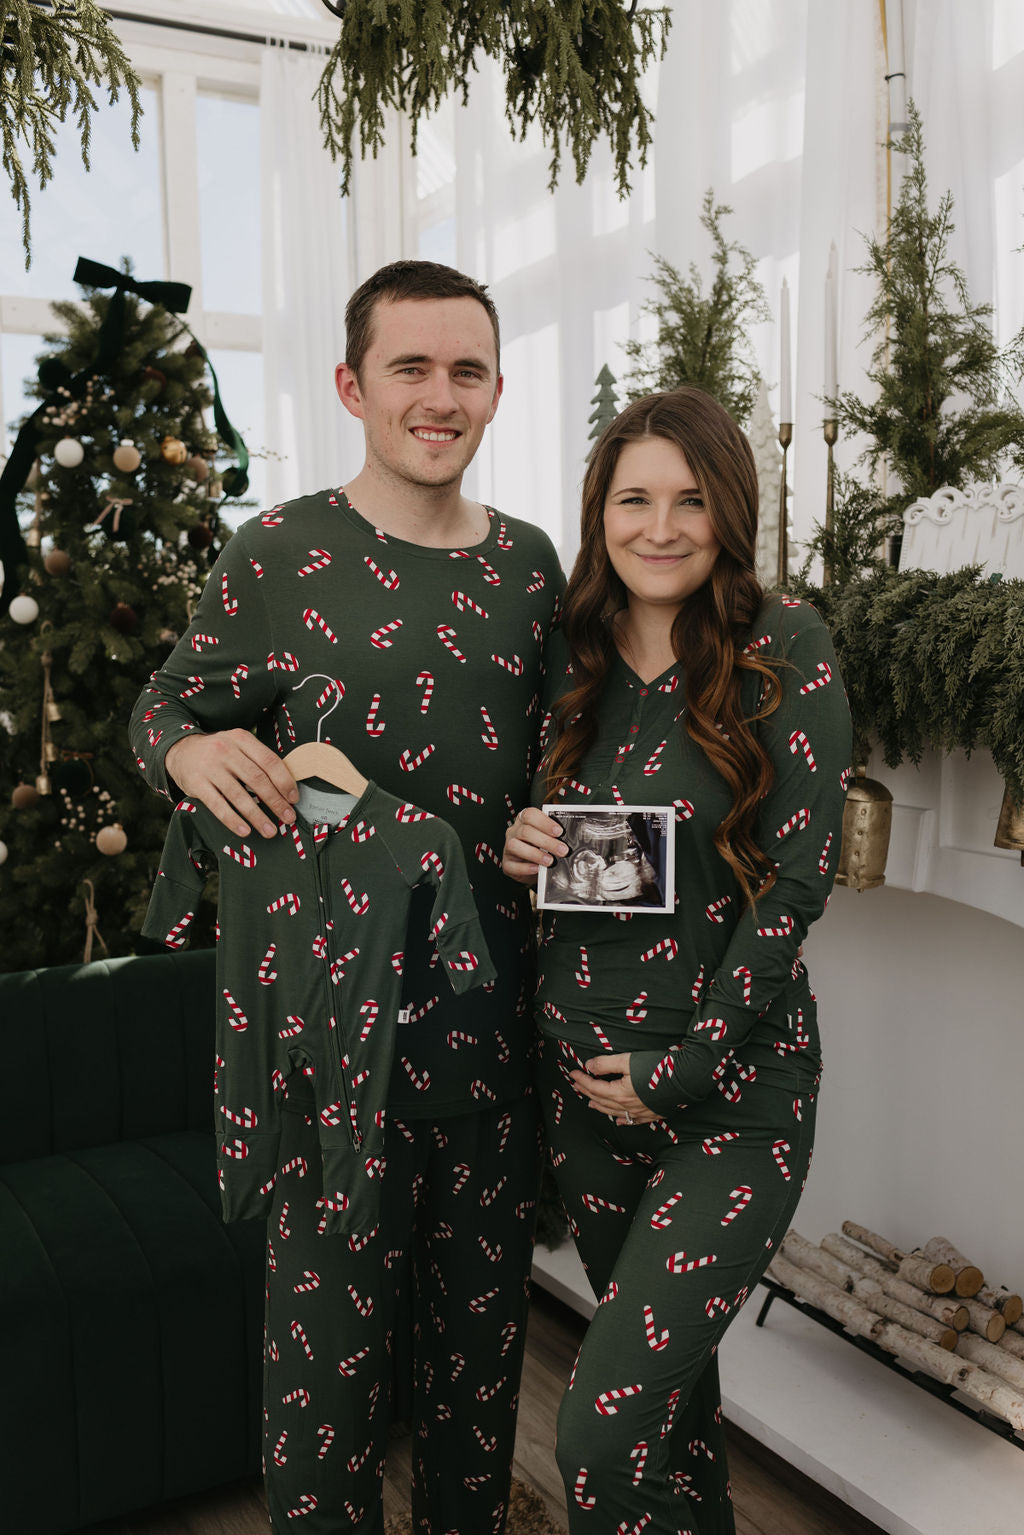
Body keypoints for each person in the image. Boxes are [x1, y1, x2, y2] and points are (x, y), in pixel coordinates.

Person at [129, 260, 564, 1535]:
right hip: (330, 1052)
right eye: (411, 368)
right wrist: (191, 751)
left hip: (491, 1046)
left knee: (477, 1400)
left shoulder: (533, 570)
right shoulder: (278, 552)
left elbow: (570, 758)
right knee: (318, 1414)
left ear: (494, 390)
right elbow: (163, 699)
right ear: (351, 386)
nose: (440, 395)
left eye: (466, 370)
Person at [503, 387, 851, 1534]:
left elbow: (796, 883)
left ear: (727, 511)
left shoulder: (783, 641)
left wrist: (686, 1067)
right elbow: (550, 852)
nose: (660, 525)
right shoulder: (567, 655)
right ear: (599, 509)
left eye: (690, 499)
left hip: (730, 1095)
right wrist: (521, 840)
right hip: (586, 1091)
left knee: (599, 1432)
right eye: (633, 496)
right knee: (672, 1416)